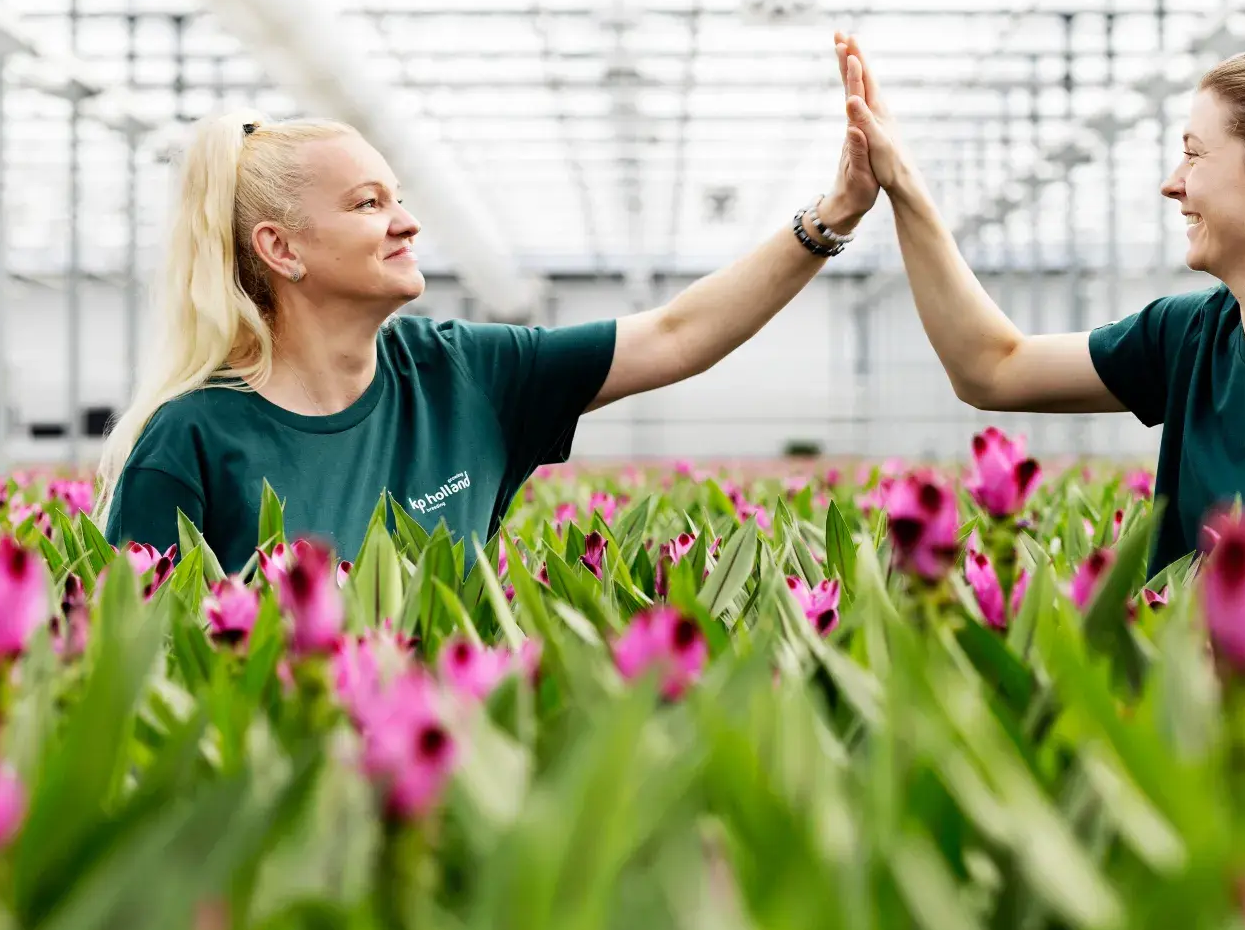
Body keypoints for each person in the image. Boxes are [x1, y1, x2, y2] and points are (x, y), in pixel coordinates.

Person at [98, 45, 879, 569]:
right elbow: (136, 675)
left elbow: (678, 334)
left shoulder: (462, 371)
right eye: (369, 204)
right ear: (281, 249)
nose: (406, 221)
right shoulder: (190, 442)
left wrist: (833, 214)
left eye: (398, 198)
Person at [837, 34, 1245, 579]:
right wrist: (903, 185)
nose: (1172, 181)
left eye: (1195, 153)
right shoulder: (1192, 335)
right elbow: (989, 367)